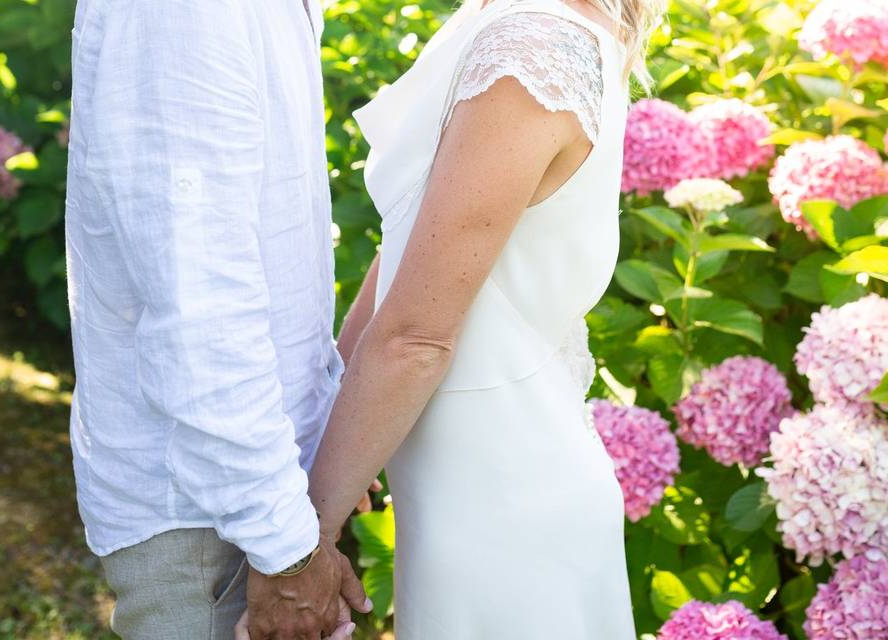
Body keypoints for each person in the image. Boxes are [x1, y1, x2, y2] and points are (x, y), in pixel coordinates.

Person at [261, 0, 662, 637]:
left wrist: (301, 546)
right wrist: (334, 430)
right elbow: (410, 253)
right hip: (482, 496)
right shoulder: (534, 25)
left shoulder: (531, 54)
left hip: (502, 514)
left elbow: (417, 337)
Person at [64, 1, 371, 638]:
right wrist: (286, 547)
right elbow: (200, 305)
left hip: (259, 493)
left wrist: (321, 454)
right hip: (217, 518)